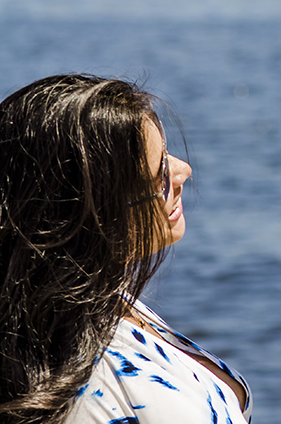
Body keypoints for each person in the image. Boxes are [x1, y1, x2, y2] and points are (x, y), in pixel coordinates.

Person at [0, 75, 252, 424]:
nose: (184, 171)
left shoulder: (105, 302)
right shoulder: (83, 394)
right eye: (161, 172)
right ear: (89, 214)